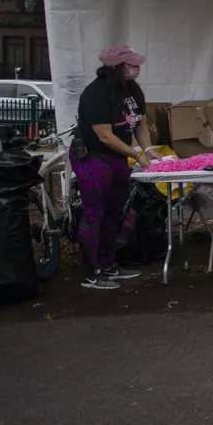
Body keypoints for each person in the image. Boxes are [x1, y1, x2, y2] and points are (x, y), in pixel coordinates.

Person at [72, 44, 157, 289]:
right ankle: (90, 272)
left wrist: (147, 150)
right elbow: (105, 136)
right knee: (94, 213)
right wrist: (136, 155)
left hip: (118, 158)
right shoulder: (95, 93)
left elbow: (139, 124)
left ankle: (109, 263)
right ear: (116, 67)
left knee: (115, 211)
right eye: (131, 64)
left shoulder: (133, 91)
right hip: (94, 157)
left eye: (137, 64)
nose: (137, 68)